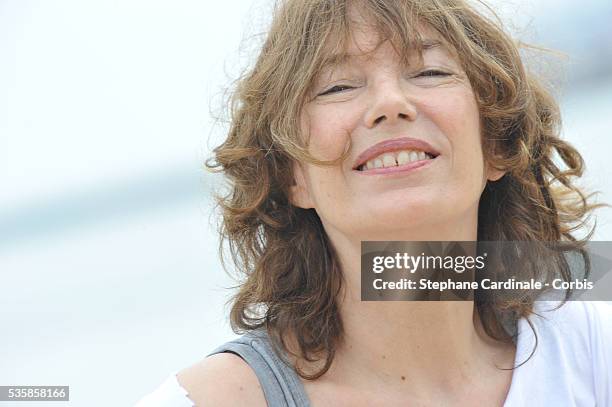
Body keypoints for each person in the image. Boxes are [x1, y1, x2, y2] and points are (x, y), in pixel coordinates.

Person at [136, 0, 612, 405]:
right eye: (337, 87)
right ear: (290, 175)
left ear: (497, 144)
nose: (390, 103)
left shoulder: (591, 347)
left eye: (430, 71)